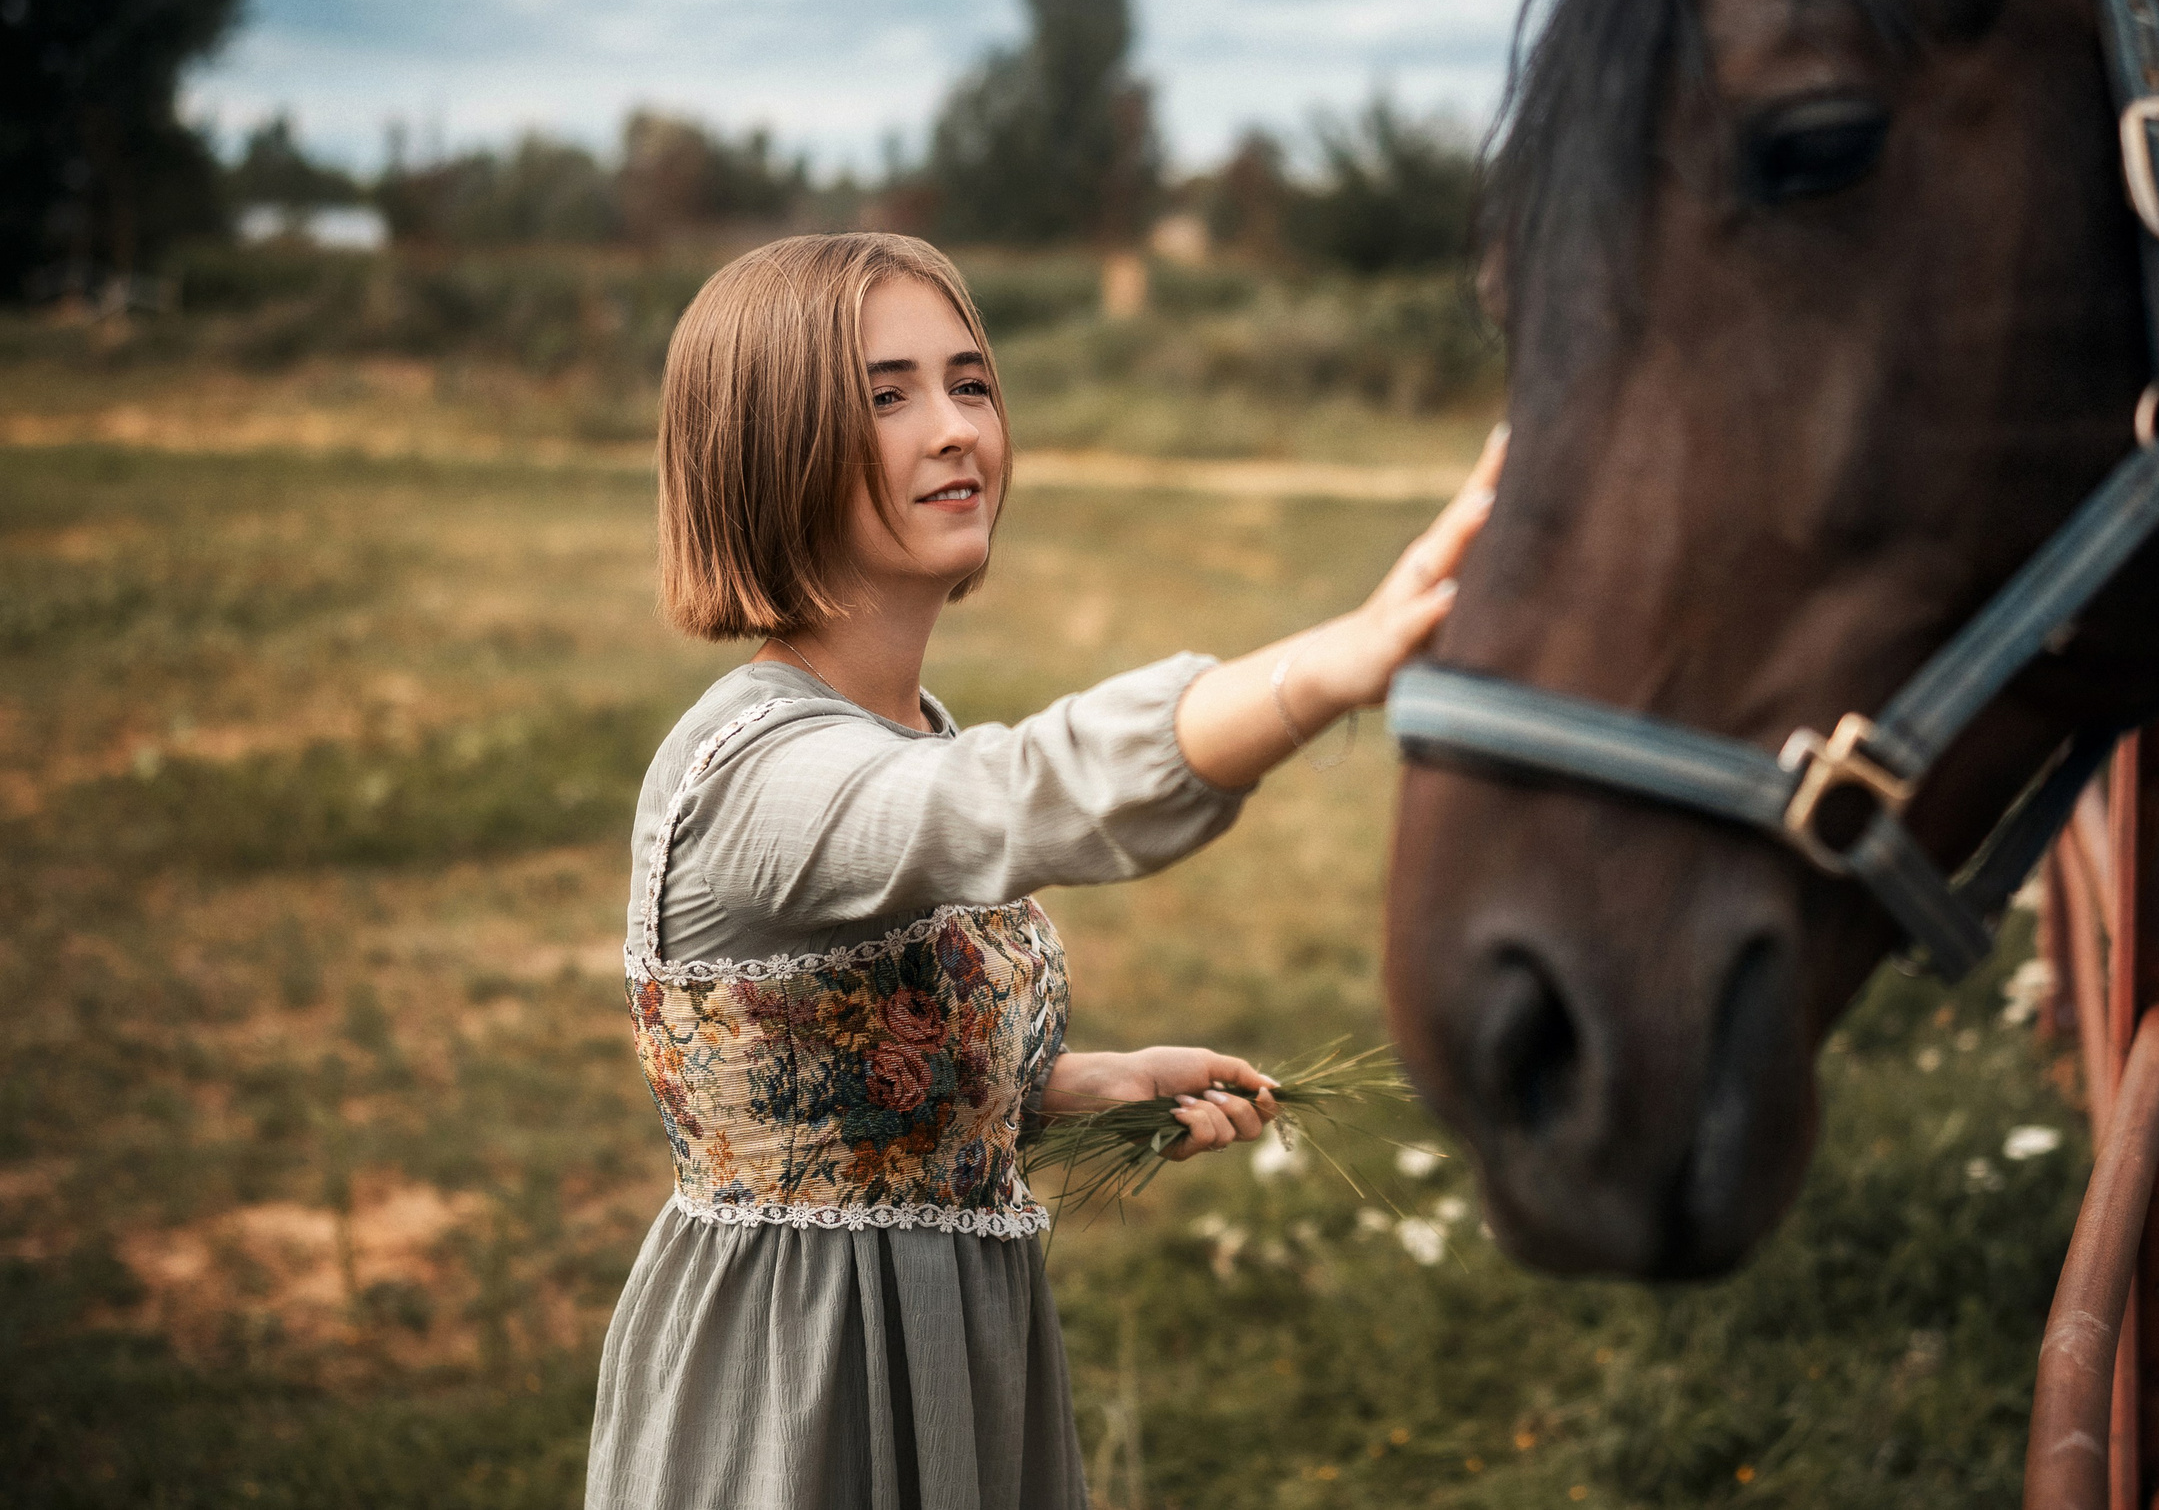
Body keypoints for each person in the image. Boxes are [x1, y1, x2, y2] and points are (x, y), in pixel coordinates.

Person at [586, 232, 1502, 1510]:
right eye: (886, 395)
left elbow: (824, 1066)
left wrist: (1075, 1084)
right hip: (799, 1378)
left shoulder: (908, 727)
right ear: (767, 448)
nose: (956, 428)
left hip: (960, 1346)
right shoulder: (757, 774)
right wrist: (1328, 669)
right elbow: (1023, 798)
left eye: (970, 382)